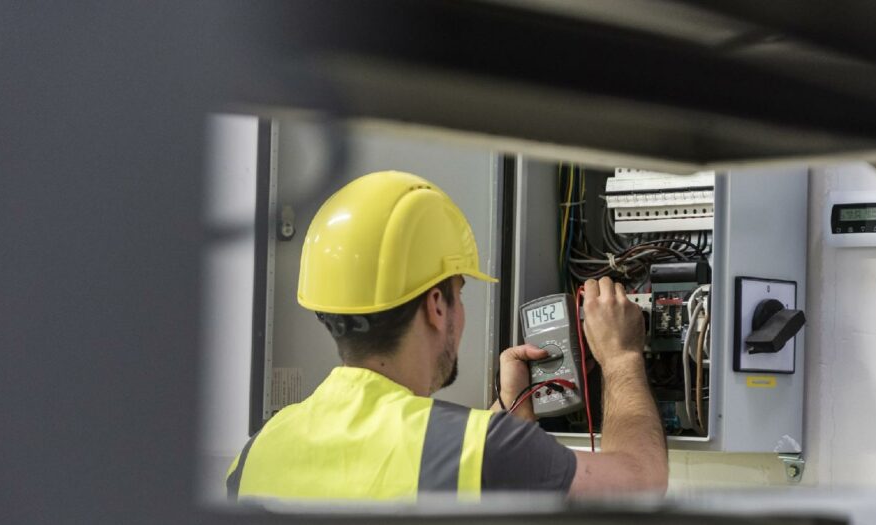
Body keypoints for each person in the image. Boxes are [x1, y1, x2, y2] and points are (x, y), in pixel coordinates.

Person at [226, 170, 667, 500]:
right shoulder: (481, 448)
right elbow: (641, 485)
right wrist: (621, 357)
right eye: (460, 291)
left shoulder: (254, 455)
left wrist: (510, 407)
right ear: (437, 306)